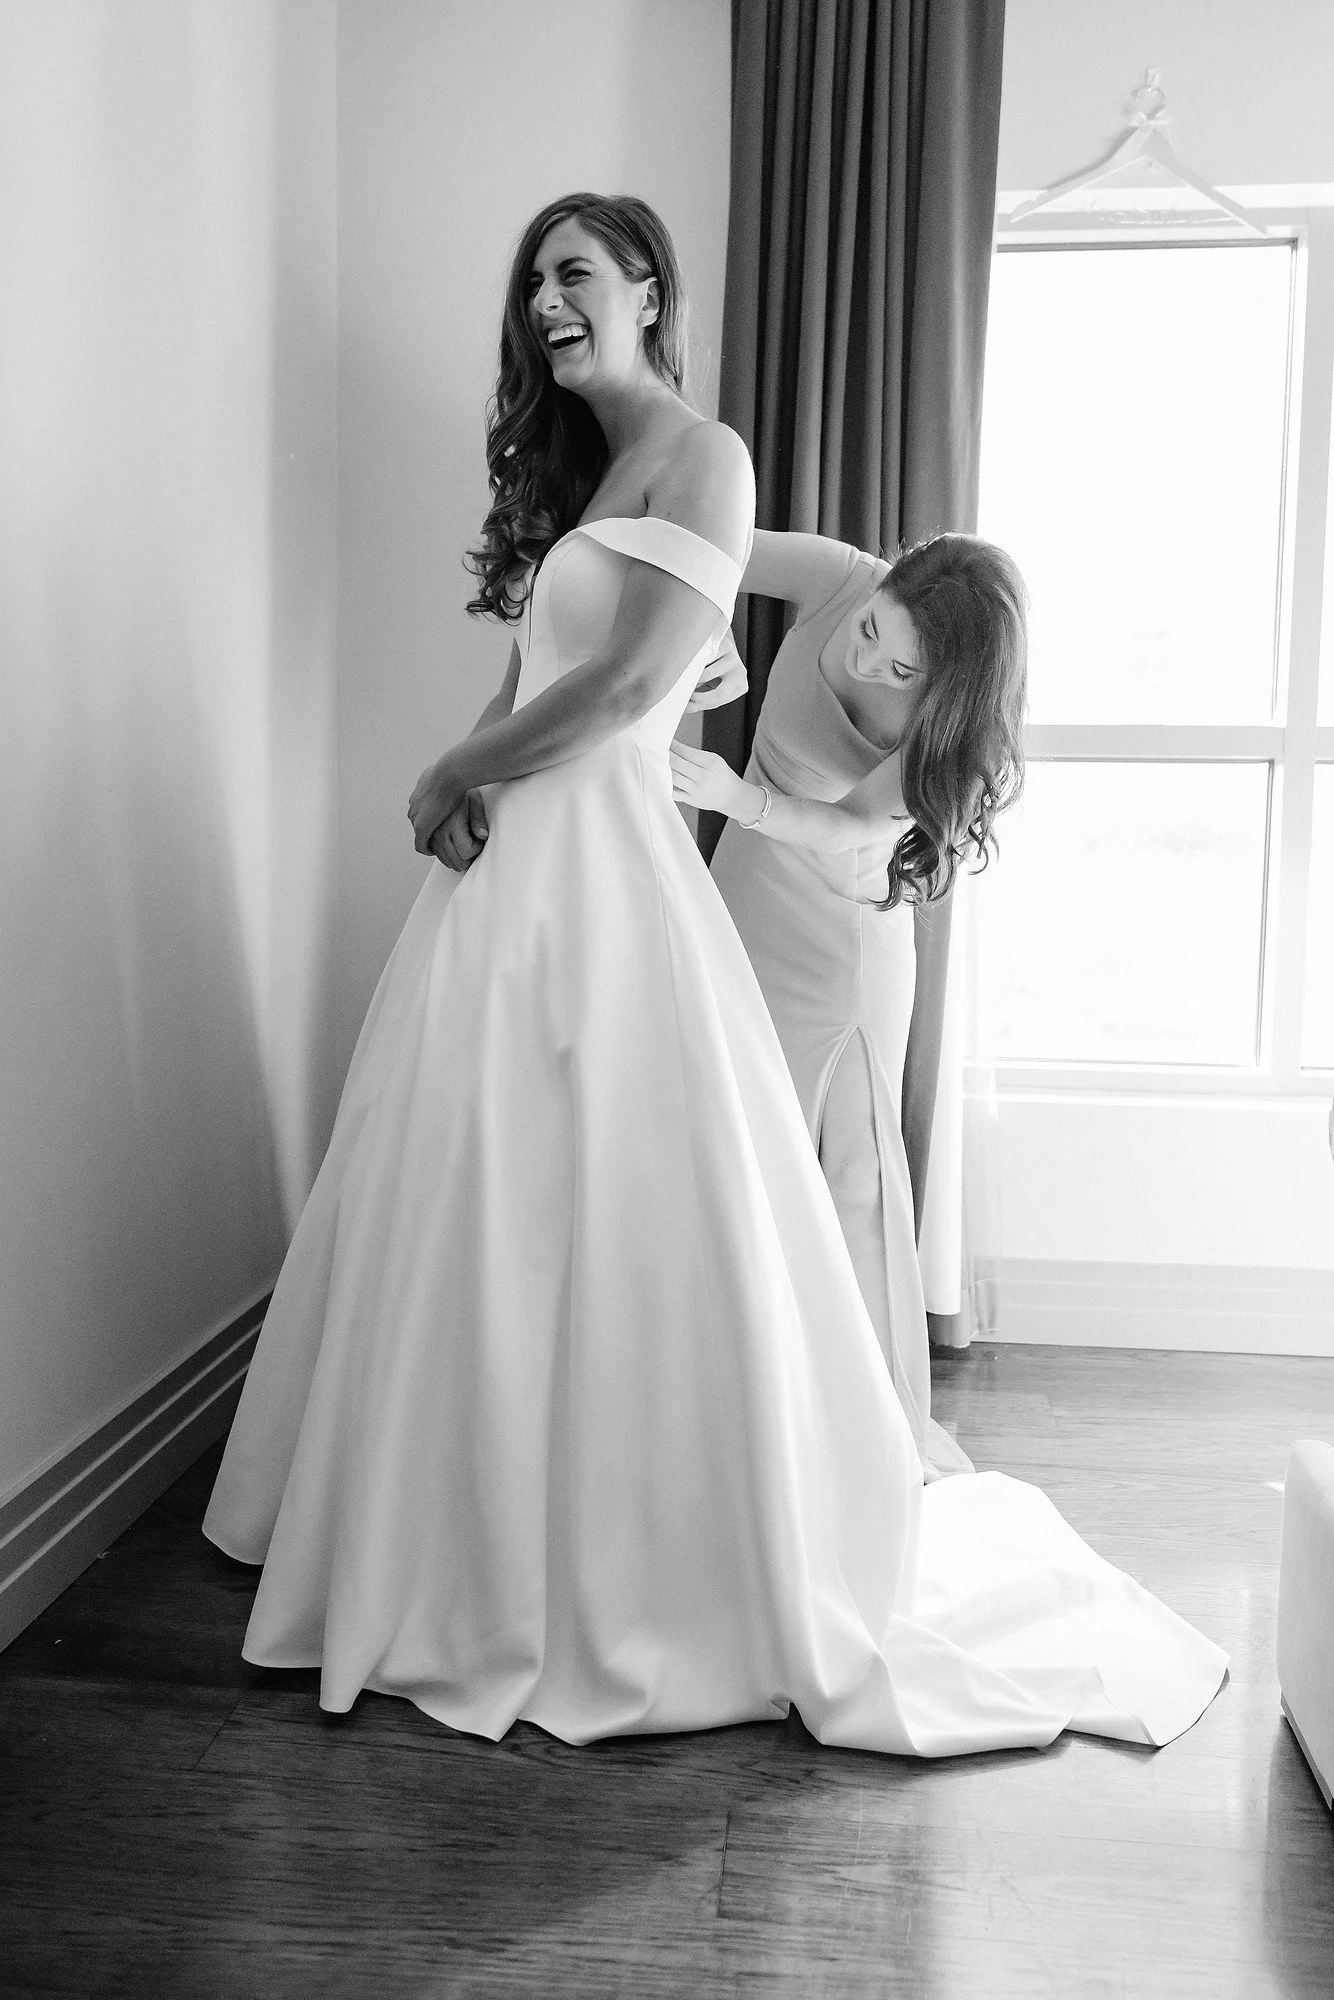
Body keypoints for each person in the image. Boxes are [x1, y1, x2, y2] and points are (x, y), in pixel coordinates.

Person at [203, 191, 1227, 1755]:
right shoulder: (595, 476)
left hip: (611, 865)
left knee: (653, 1198)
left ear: (648, 290)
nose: (545, 299)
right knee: (467, 1175)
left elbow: (627, 685)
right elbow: (547, 663)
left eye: (574, 271)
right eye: (530, 280)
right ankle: (431, 1527)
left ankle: (624, 1555)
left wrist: (458, 766)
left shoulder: (709, 458)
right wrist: (473, 775)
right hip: (516, 867)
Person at [671, 532, 1025, 1481]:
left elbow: (850, 829)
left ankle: (866, 1431)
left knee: (847, 1186)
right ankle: (738, 1404)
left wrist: (736, 798)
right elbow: (708, 539)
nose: (870, 663)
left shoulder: (946, 731)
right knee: (733, 1144)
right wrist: (710, 630)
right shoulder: (839, 579)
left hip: (842, 944)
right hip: (745, 894)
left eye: (901, 669)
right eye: (871, 631)